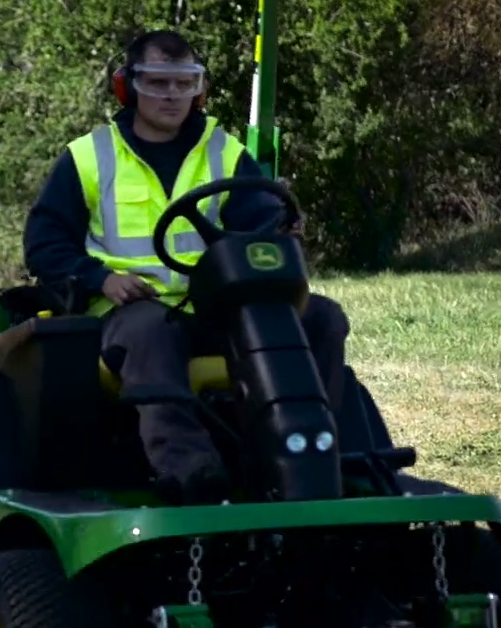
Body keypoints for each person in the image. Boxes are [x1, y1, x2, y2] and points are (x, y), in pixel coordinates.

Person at [22, 29, 352, 504]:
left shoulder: (226, 153)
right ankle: (189, 469)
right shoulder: (88, 157)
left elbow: (261, 222)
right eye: (158, 83)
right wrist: (103, 278)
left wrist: (281, 233)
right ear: (128, 87)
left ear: (199, 88)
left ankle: (314, 453)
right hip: (129, 313)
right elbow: (45, 243)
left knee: (321, 316)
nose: (172, 96)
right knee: (152, 330)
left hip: (218, 310)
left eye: (184, 83)